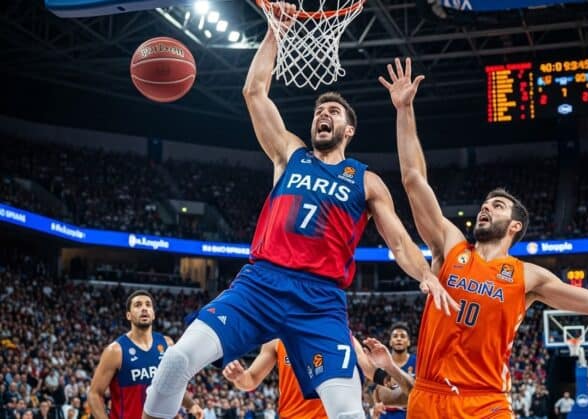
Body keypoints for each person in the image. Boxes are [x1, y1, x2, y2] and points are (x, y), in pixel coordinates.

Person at [142, 7, 457, 419]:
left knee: (348, 413)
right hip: (260, 284)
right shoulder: (289, 155)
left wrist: (426, 274)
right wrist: (277, 30)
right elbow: (254, 92)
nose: (322, 115)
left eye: (333, 112)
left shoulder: (366, 181)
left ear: (349, 131)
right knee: (176, 362)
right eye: (318, 111)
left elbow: (399, 242)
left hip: (321, 303)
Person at [377, 56, 588, 418]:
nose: (485, 208)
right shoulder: (451, 245)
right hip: (429, 396)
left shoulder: (527, 275)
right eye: (485, 204)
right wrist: (404, 110)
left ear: (515, 226)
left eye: (497, 206)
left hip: (485, 401)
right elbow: (413, 179)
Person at [222, 337, 407, 419]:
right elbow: (251, 380)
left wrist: (390, 377)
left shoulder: (340, 333)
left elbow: (370, 369)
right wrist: (238, 377)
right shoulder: (276, 339)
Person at [88, 290, 202, 419]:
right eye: (138, 305)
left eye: (148, 305)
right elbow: (94, 394)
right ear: (128, 315)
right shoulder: (115, 351)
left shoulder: (167, 344)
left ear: (153, 314)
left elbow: (173, 386)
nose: (144, 308)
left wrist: (192, 405)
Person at [370, 323, 416, 419]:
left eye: (403, 336)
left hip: (410, 413)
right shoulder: (381, 362)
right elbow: (375, 389)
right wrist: (375, 406)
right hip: (386, 414)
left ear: (408, 342)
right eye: (395, 336)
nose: (399, 339)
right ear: (390, 342)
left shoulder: (417, 362)